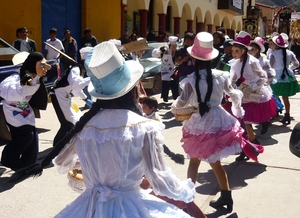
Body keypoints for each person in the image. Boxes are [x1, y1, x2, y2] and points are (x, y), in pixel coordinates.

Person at [10, 41, 197, 217]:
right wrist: (185, 192)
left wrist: (93, 167)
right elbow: (159, 179)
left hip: (89, 206)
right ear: (132, 90)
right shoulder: (144, 127)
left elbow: (62, 160)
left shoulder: (84, 127)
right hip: (130, 205)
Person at [171, 32, 262, 213]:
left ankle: (188, 200)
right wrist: (238, 110)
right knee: (215, 163)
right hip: (218, 120)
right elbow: (234, 93)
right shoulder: (221, 75)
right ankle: (226, 197)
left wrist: (176, 108)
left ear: (193, 58)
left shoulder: (190, 80)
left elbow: (181, 102)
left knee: (194, 162)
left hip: (198, 122)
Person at [0, 52, 51, 170]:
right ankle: (8, 159)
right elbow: (8, 93)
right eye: (41, 66)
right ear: (33, 65)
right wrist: (21, 84)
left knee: (33, 137)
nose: (44, 69)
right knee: (25, 135)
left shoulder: (35, 77)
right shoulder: (16, 77)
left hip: (25, 109)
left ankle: (28, 163)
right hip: (13, 111)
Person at [230, 31, 277, 145]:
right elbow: (233, 78)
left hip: (253, 93)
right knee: (244, 120)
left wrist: (253, 86)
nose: (234, 53)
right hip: (241, 94)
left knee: (246, 120)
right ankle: (252, 141)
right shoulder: (235, 63)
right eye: (233, 51)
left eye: (237, 51)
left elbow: (263, 76)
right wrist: (230, 88)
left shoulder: (252, 62)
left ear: (244, 50)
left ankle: (251, 142)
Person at [49, 48, 91, 147]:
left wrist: (85, 98)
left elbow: (75, 89)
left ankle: (63, 145)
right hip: (59, 94)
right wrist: (91, 79)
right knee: (68, 123)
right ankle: (57, 147)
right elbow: (75, 84)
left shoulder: (80, 69)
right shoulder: (76, 69)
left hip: (65, 95)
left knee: (76, 118)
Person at [141, 96, 185, 165]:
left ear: (152, 108)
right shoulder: (143, 115)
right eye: (142, 106)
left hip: (153, 142)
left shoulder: (156, 119)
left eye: (145, 106)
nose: (142, 108)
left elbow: (157, 131)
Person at [268, 33, 300, 124]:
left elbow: (270, 66)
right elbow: (297, 64)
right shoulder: (289, 53)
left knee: (272, 95)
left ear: (275, 45)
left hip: (276, 76)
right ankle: (287, 115)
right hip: (287, 75)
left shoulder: (273, 53)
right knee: (285, 98)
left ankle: (274, 112)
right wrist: (288, 68)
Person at [152, 36, 179, 102]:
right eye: (172, 46)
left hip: (173, 70)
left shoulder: (177, 52)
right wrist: (160, 50)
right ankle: (165, 98)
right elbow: (154, 54)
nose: (173, 48)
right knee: (165, 84)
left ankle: (176, 97)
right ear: (169, 46)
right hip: (165, 70)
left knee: (174, 84)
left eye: (175, 46)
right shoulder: (165, 51)